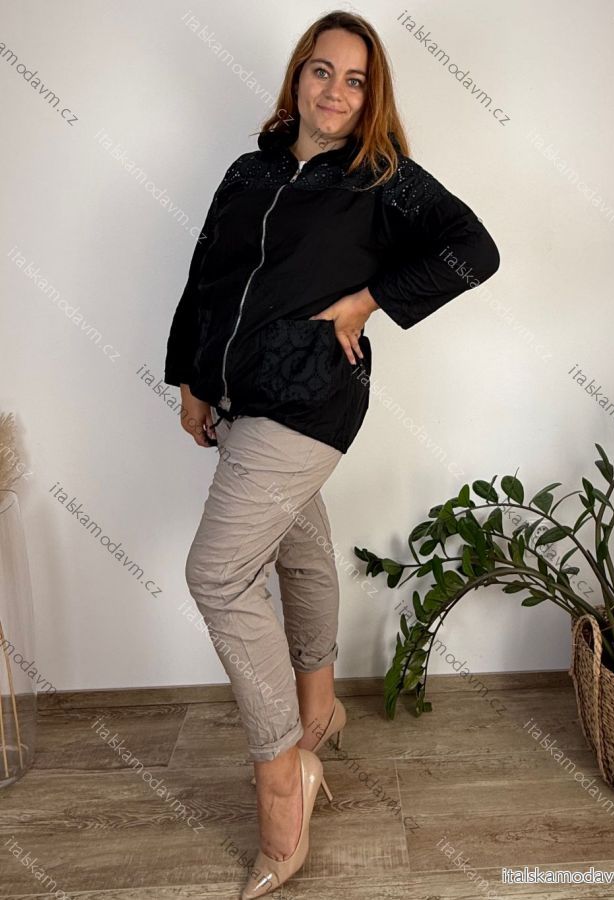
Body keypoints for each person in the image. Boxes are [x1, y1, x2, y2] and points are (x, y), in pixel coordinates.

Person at [163, 10, 500, 898]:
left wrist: (367, 301)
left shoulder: (380, 177)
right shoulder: (250, 169)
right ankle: (319, 710)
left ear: (370, 93)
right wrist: (189, 378)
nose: (336, 92)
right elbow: (205, 276)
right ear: (297, 76)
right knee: (297, 543)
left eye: (355, 79)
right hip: (237, 392)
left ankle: (284, 778)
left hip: (310, 395)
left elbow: (475, 249)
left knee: (216, 575)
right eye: (322, 71)